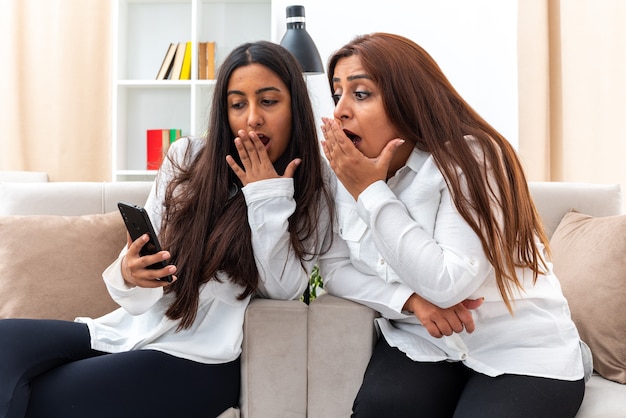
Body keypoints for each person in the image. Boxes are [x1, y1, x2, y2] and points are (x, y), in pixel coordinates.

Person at [0, 40, 333, 418]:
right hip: (131, 331)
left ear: (295, 108)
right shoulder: (187, 157)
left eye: (268, 101)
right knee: (5, 340)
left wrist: (265, 195)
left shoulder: (316, 186)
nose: (252, 118)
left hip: (198, 358)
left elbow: (284, 287)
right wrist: (130, 274)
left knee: (44, 396)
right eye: (238, 104)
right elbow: (142, 283)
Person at [318, 32, 589, 418]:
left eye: (360, 94)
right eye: (337, 95)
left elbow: (449, 284)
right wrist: (410, 302)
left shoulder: (473, 157)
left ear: (407, 99)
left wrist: (371, 192)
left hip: (522, 350)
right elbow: (334, 268)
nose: (341, 110)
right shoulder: (343, 172)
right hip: (423, 342)